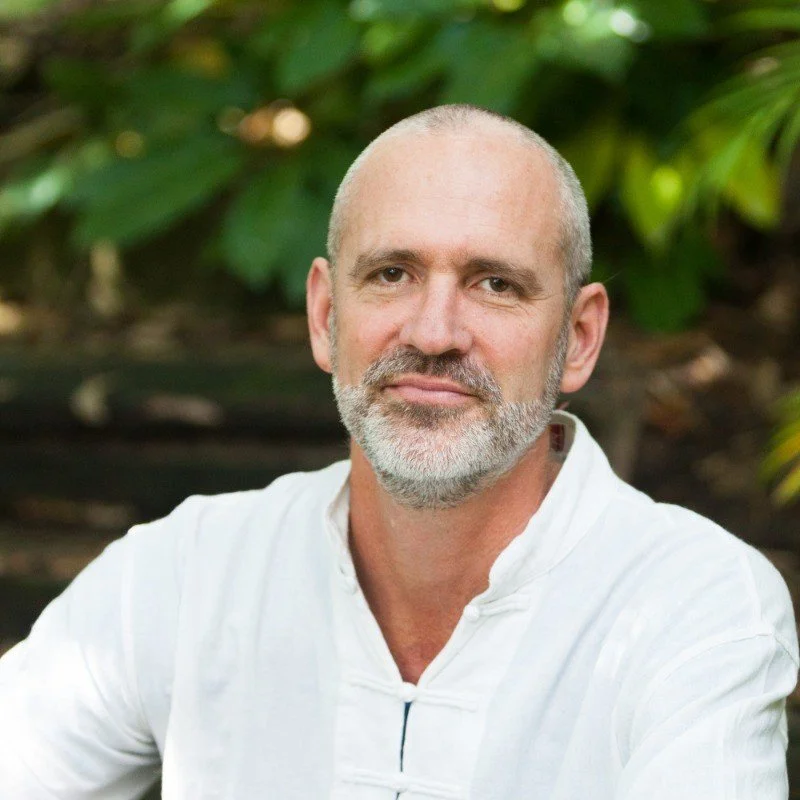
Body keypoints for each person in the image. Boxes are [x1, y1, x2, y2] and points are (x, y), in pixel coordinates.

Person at [0, 104, 797, 799]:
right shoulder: (188, 573)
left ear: (579, 338)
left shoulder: (696, 606)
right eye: (391, 273)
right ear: (324, 315)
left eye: (495, 284)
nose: (433, 333)